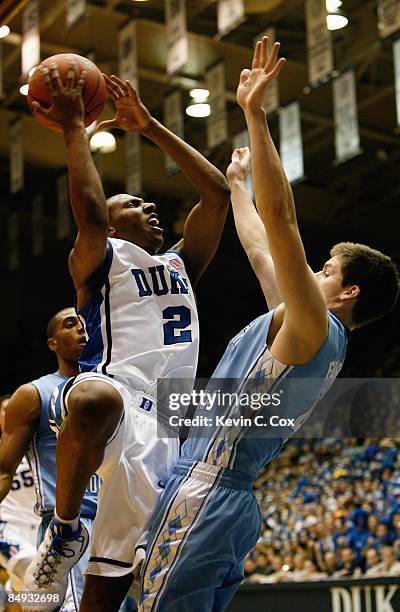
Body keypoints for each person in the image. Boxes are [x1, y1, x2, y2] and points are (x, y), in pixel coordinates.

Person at [138, 38, 400, 611]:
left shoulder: (314, 325)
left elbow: (281, 221)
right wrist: (236, 189)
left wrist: (254, 115)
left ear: (347, 292)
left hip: (207, 491)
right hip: (227, 499)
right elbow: (261, 248)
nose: (312, 269)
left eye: (325, 268)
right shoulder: (307, 329)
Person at [24, 63, 230, 611]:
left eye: (148, 202)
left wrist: (150, 126)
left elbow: (216, 195)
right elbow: (89, 214)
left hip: (167, 427)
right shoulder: (101, 255)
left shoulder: (183, 263)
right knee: (91, 396)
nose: (149, 206)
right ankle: (65, 529)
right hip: (115, 396)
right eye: (133, 204)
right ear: (114, 227)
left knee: (107, 585)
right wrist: (73, 130)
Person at [0, 308, 100, 610]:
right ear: (52, 343)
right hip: (70, 526)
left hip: (122, 524)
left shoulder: (122, 386)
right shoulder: (34, 394)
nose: (82, 330)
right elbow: (4, 470)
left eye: (85, 324)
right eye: (70, 325)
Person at [0, 399, 39, 594]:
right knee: (33, 572)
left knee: (42, 590)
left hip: (46, 527)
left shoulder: (43, 447)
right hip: (9, 529)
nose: (10, 414)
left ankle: (13, 592)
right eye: (5, 410)